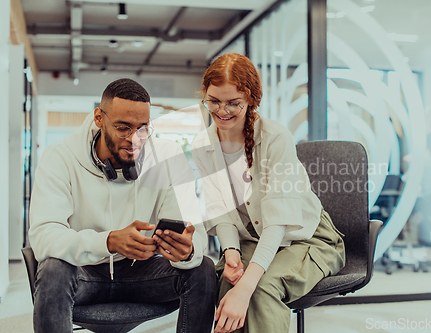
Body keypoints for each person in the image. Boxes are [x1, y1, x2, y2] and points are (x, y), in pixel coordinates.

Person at [29, 78, 217, 333]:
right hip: (85, 273)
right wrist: (108, 241)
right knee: (53, 269)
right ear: (98, 118)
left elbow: (196, 235)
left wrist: (186, 251)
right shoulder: (59, 158)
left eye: (142, 128)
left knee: (202, 267)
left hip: (143, 274)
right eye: (122, 128)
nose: (134, 139)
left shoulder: (168, 159)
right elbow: (44, 237)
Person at [192, 53, 346, 333]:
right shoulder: (202, 144)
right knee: (227, 282)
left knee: (260, 289)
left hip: (306, 238)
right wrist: (231, 253)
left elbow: (278, 223)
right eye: (213, 100)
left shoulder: (275, 138)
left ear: (251, 99)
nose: (221, 110)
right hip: (253, 238)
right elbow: (222, 210)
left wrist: (247, 285)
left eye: (233, 103)